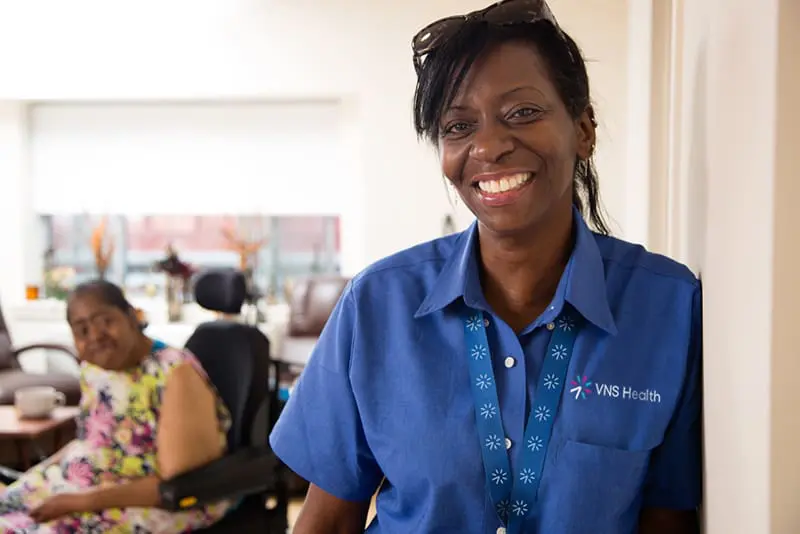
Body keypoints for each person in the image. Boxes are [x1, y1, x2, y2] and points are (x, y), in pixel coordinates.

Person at [269, 1, 702, 532]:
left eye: (523, 112)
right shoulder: (378, 305)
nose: (490, 146)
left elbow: (668, 517)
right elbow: (329, 522)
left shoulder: (669, 307)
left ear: (583, 130)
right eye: (458, 125)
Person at [0, 280, 234, 532]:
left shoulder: (175, 373)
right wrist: (36, 475)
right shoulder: (94, 368)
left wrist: (78, 503)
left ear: (132, 316)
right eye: (83, 330)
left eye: (106, 321)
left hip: (158, 504)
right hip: (85, 486)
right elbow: (88, 441)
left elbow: (175, 485)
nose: (96, 336)